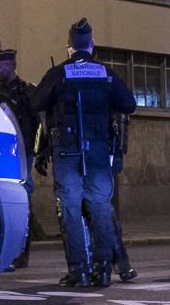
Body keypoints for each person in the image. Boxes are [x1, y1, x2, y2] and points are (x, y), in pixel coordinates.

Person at [31, 20, 137, 288]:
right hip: (98, 150)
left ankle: (78, 269)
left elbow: (37, 103)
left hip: (66, 151)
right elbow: (129, 104)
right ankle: (102, 270)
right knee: (100, 207)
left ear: (71, 47)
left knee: (69, 209)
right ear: (92, 45)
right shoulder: (105, 73)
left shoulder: (60, 73)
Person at [0, 49, 42, 267]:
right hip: (2, 153)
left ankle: (21, 252)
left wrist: (36, 153)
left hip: (23, 153)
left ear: (11, 65)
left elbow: (37, 126)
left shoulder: (26, 91)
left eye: (2, 65)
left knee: (23, 197)